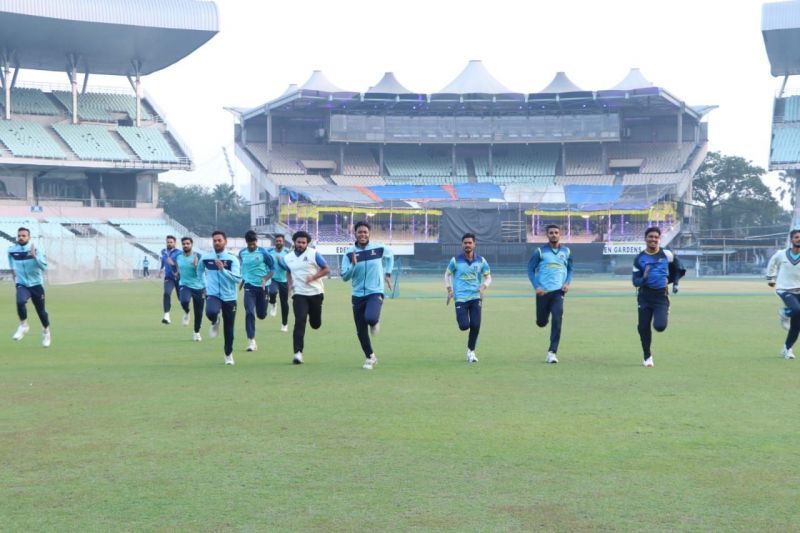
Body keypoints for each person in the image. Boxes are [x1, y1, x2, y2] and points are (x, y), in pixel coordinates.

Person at [340, 221, 394, 370]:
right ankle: (370, 357)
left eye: (365, 232)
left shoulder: (378, 248)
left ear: (369, 233)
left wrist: (388, 273)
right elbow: (344, 276)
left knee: (370, 318)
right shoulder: (349, 253)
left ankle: (374, 321)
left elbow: (390, 256)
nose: (362, 234)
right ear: (355, 234)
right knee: (360, 330)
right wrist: (353, 265)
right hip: (357, 295)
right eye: (359, 232)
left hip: (375, 291)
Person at [632, 226, 685, 368]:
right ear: (646, 239)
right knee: (643, 327)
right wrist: (644, 278)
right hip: (644, 297)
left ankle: (664, 310)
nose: (653, 239)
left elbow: (678, 268)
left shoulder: (667, 255)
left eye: (656, 237)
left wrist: (675, 283)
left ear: (659, 239)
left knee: (660, 326)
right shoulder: (639, 259)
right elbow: (635, 282)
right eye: (650, 237)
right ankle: (647, 356)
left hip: (661, 297)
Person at [279, 230, 330, 365]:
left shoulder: (314, 254)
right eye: (298, 242)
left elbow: (326, 269)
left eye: (303, 242)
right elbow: (289, 271)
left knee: (315, 324)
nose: (301, 244)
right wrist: (290, 286)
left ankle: (315, 319)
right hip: (299, 294)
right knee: (300, 321)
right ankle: (298, 353)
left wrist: (313, 277)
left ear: (307, 243)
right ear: (294, 242)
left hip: (316, 293)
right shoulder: (288, 257)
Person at [527, 224, 573, 364]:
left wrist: (567, 283)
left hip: (558, 292)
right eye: (551, 233)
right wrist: (537, 286)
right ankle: (542, 320)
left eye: (556, 232)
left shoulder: (566, 251)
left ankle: (552, 352)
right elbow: (530, 269)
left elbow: (570, 269)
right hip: (543, 293)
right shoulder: (540, 252)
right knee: (541, 322)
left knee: (557, 319)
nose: (554, 234)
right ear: (547, 235)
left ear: (560, 234)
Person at [445, 233, 491, 363]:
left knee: (476, 325)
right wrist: (449, 288)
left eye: (470, 243)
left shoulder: (481, 260)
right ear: (462, 244)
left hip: (476, 297)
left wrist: (484, 286)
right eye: (465, 243)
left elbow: (488, 276)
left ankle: (471, 352)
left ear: (474, 244)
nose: (467, 245)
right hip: (460, 298)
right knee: (464, 326)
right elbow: (447, 274)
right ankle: (469, 347)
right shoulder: (455, 260)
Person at [199, 230, 241, 365]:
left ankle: (228, 354)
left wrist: (223, 270)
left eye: (219, 240)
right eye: (214, 240)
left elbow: (237, 279)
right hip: (213, 294)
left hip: (229, 297)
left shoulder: (232, 259)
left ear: (225, 242)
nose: (216, 243)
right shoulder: (206, 258)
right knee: (210, 312)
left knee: (229, 329)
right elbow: (199, 272)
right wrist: (204, 286)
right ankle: (215, 319)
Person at [8, 227, 51, 347]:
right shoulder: (12, 250)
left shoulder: (35, 250)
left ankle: (46, 332)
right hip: (22, 284)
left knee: (41, 312)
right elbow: (10, 259)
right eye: (19, 235)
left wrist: (34, 257)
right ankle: (23, 325)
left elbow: (44, 267)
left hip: (36, 285)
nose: (21, 237)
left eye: (23, 236)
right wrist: (13, 270)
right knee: (20, 301)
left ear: (29, 237)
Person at [766, 229, 800, 360]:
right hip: (784, 289)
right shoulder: (781, 254)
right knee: (796, 309)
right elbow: (772, 263)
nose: (799, 239)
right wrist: (771, 278)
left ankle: (787, 349)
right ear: (791, 240)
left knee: (796, 325)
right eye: (796, 237)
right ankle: (785, 313)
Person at [238, 230, 274, 352]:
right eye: (249, 244)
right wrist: (243, 280)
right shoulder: (242, 253)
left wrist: (265, 279)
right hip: (249, 287)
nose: (251, 246)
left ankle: (268, 303)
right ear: (246, 243)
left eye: (253, 244)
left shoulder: (264, 253)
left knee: (261, 315)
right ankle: (251, 340)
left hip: (263, 287)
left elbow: (272, 269)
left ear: (256, 242)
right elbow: (244, 268)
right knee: (249, 312)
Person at [175, 237, 205, 342]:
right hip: (185, 284)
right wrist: (177, 274)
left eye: (188, 243)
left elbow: (204, 272)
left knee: (199, 312)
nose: (185, 245)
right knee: (184, 301)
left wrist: (196, 266)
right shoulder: (178, 257)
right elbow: (178, 269)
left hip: (198, 287)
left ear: (191, 244)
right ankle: (187, 312)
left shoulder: (198, 256)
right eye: (183, 244)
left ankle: (196, 332)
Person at [267, 234, 290, 332]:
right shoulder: (270, 252)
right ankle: (273, 303)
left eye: (280, 241)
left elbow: (289, 268)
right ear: (274, 242)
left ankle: (284, 324)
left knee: (284, 303)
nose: (278, 242)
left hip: (284, 280)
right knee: (272, 292)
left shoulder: (287, 252)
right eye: (277, 241)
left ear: (283, 242)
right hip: (273, 279)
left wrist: (281, 263)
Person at [159, 235, 181, 324]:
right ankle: (166, 316)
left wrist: (173, 264)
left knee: (182, 299)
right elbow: (163, 260)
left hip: (179, 278)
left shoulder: (179, 253)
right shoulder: (163, 252)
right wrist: (161, 268)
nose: (169, 243)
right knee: (167, 293)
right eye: (168, 242)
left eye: (171, 242)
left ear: (175, 243)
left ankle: (187, 312)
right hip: (169, 278)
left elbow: (180, 264)